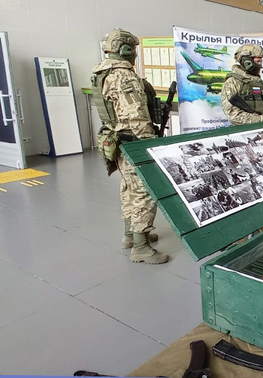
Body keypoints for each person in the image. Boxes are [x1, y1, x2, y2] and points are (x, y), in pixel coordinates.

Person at [92, 28, 168, 264]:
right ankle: (142, 247)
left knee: (128, 188)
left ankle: (130, 236)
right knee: (144, 192)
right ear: (124, 49)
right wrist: (149, 145)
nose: (134, 54)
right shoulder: (124, 76)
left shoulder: (102, 72)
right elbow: (136, 115)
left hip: (117, 140)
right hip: (134, 141)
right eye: (132, 49)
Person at [221, 44, 263, 124]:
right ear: (247, 62)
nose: (260, 65)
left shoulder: (259, 82)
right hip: (245, 131)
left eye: (261, 61)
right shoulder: (232, 82)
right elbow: (233, 115)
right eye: (257, 61)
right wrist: (262, 119)